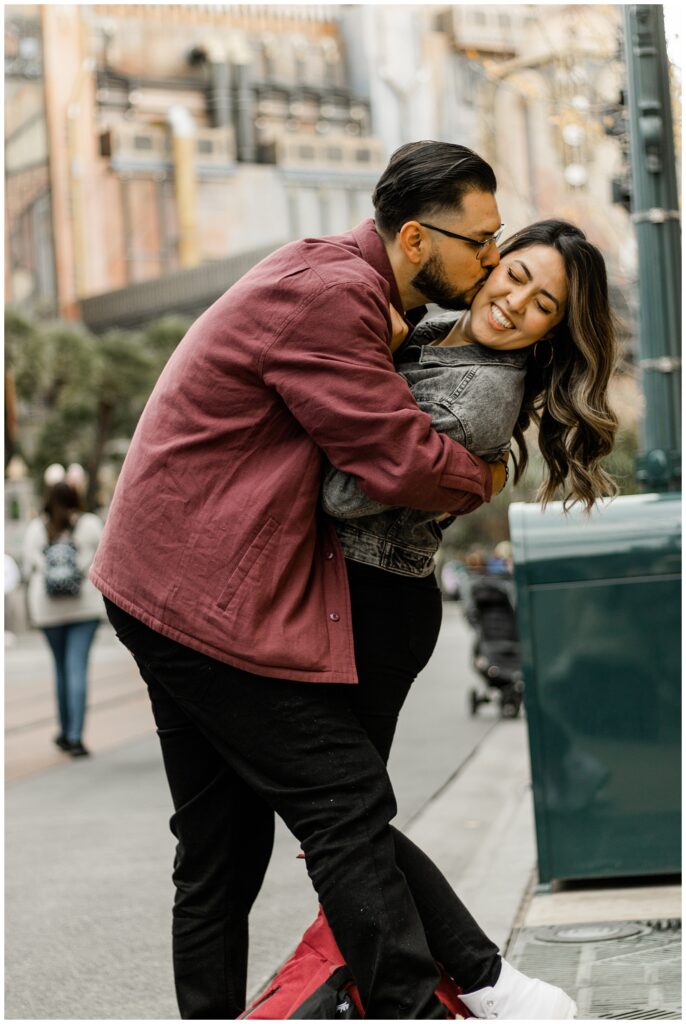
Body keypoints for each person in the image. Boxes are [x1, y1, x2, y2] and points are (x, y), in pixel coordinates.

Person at [91, 139, 510, 1021]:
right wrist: (489, 475)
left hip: (161, 581)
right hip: (197, 596)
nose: (493, 261)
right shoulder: (332, 297)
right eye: (480, 242)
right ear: (414, 241)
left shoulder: (340, 284)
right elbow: (394, 461)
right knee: (343, 802)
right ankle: (413, 1009)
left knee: (221, 847)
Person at [320, 219, 617, 1019]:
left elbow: (348, 494)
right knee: (344, 819)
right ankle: (423, 983)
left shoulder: (483, 391)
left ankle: (486, 982)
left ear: (554, 329)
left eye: (544, 303)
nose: (517, 301)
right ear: (491, 261)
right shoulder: (429, 326)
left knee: (342, 815)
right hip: (350, 595)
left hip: (374, 605)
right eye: (515, 274)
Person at [23, 481, 104, 757]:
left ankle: (64, 731)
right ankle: (75, 736)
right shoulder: (90, 524)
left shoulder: (37, 529)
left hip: (48, 610)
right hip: (84, 607)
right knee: (76, 668)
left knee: (60, 669)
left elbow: (30, 565)